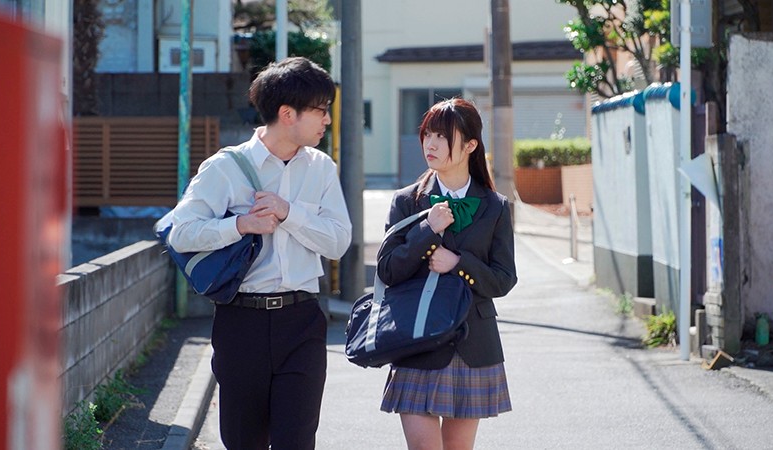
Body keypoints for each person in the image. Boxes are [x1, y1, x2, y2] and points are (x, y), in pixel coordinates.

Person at [167, 56, 352, 449]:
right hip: (241, 322)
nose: (327, 120)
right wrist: (239, 225)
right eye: (320, 110)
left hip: (302, 319)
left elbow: (338, 241)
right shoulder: (225, 168)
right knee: (243, 441)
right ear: (287, 114)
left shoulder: (320, 168)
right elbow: (180, 233)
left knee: (296, 441)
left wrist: (289, 212)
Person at [377, 98, 517, 449]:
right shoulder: (407, 201)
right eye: (428, 134)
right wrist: (428, 230)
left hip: (473, 344)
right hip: (416, 341)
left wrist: (458, 263)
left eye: (442, 136)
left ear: (470, 145)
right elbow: (388, 269)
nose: (431, 143)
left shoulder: (495, 207)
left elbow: (503, 279)